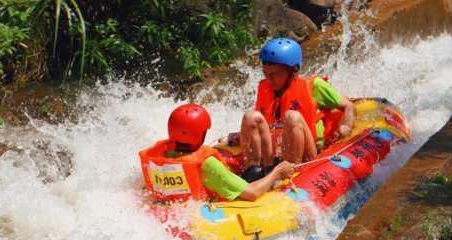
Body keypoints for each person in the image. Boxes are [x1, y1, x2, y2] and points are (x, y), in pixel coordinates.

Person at [239, 37, 356, 182]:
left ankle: (289, 176)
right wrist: (239, 135)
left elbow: (348, 106)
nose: (270, 79)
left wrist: (346, 125)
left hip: (305, 155)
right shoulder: (265, 88)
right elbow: (265, 124)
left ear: (293, 71)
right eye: (266, 74)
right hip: (273, 155)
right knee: (251, 116)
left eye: (276, 74)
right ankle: (254, 173)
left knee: (292, 117)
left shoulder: (314, 86)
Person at [140, 103, 296, 202]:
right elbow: (253, 193)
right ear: (200, 134)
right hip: (213, 204)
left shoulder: (164, 156)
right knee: (257, 172)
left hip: (179, 203)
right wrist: (278, 172)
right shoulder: (208, 164)